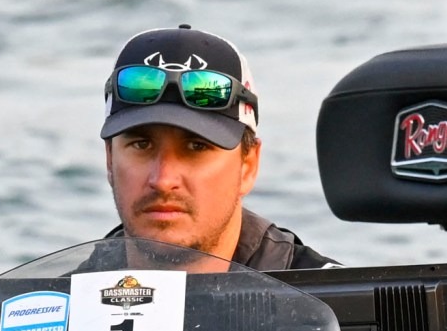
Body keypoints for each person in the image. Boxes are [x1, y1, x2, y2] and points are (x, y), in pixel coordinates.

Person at [100, 24, 337, 270]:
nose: (163, 180)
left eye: (196, 146)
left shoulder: (332, 293)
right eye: (141, 145)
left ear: (248, 166)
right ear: (109, 159)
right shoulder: (73, 291)